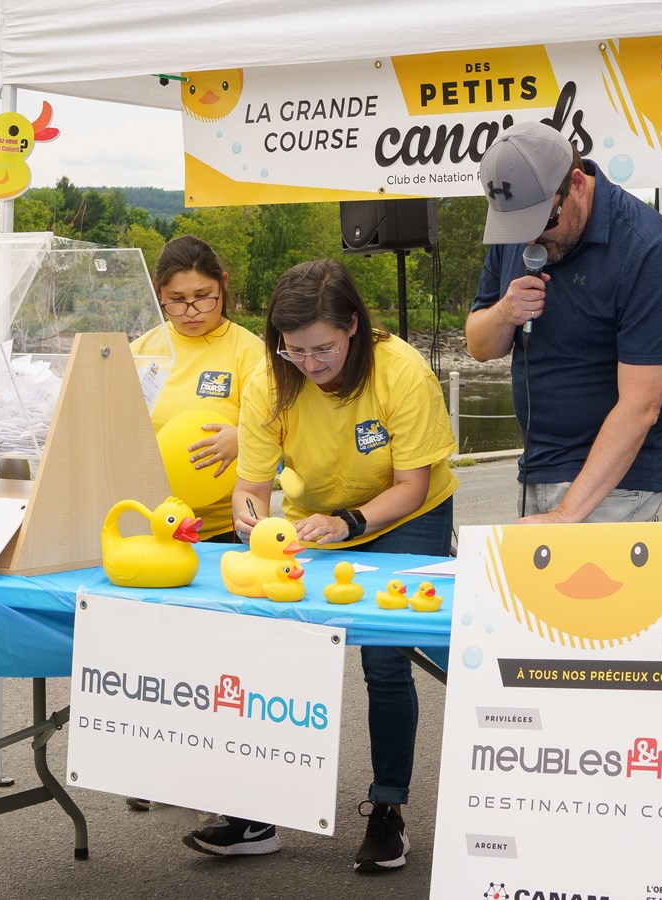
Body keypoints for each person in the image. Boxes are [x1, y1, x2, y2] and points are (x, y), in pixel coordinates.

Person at [182, 259, 456, 873]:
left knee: (384, 656)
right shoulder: (270, 381)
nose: (309, 363)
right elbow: (250, 485)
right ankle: (255, 813)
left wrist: (352, 524)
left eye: (323, 348)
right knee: (276, 642)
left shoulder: (400, 370)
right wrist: (252, 516)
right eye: (294, 349)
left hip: (404, 513)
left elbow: (412, 484)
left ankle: (389, 810)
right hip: (314, 518)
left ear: (353, 327)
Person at [466, 122, 662, 524]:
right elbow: (480, 347)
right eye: (519, 227)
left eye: (544, 220)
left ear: (576, 182)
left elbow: (642, 405)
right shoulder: (520, 227)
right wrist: (505, 312)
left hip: (617, 479)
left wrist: (567, 513)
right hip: (539, 464)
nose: (533, 238)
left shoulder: (649, 250)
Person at [129, 235, 264, 543]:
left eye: (203, 296)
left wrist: (244, 437)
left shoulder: (249, 353)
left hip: (221, 529)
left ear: (223, 284)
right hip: (150, 524)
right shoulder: (141, 350)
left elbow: (285, 428)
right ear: (159, 293)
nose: (191, 311)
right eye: (176, 300)